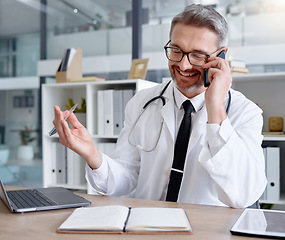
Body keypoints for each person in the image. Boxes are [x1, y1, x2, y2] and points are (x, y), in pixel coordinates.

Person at [53, 4, 267, 208]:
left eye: (197, 55)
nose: (183, 65)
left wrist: (215, 107)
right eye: (176, 50)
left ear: (221, 55)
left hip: (205, 231)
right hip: (146, 225)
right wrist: (92, 155)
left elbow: (243, 195)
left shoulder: (245, 113)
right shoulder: (141, 102)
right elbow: (126, 179)